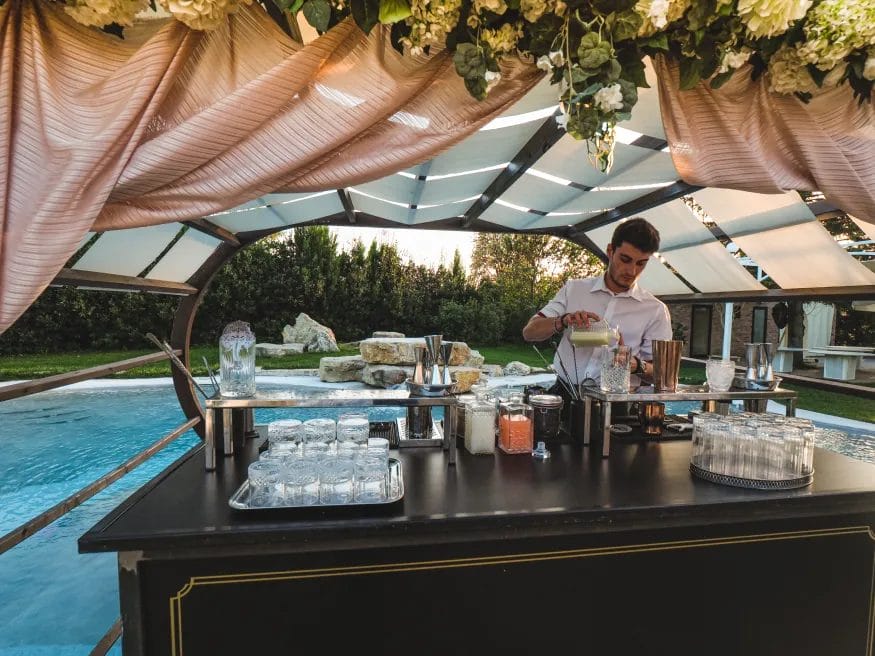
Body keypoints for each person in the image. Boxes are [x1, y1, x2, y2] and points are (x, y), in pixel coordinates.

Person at [522, 217, 672, 401]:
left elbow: (664, 374)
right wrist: (562, 321)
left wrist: (635, 365)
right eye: (625, 259)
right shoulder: (574, 289)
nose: (632, 271)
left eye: (641, 263)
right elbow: (529, 332)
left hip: (618, 403)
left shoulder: (655, 309)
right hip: (565, 394)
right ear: (610, 251)